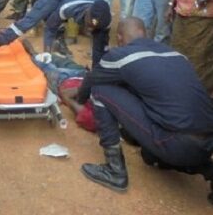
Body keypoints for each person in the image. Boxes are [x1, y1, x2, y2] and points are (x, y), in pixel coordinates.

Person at [77, 17, 213, 200]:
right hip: (207, 145)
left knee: (100, 90)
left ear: (119, 38)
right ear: (145, 34)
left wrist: (79, 100)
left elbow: (90, 81)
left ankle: (115, 171)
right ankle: (205, 168)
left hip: (176, 144)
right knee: (149, 155)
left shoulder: (121, 56)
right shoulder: (176, 54)